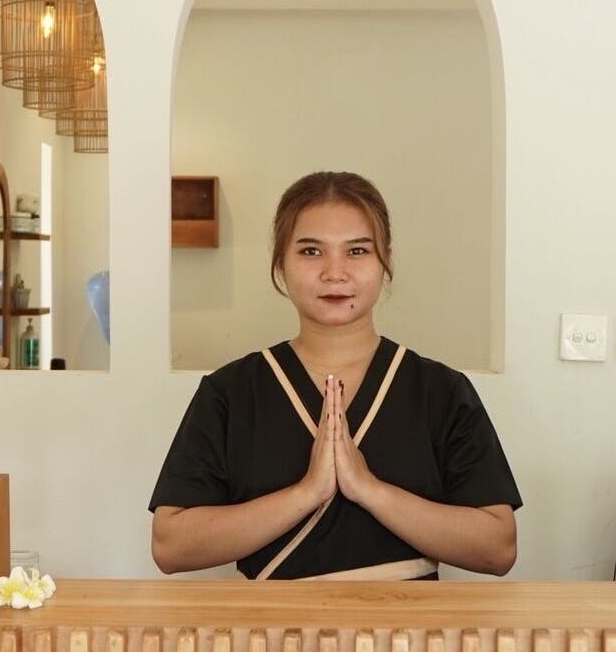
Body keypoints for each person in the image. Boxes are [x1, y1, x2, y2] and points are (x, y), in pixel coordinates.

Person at [149, 171, 521, 580]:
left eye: (357, 251)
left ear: (385, 260)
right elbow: (171, 546)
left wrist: (369, 489)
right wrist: (307, 493)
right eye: (311, 252)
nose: (334, 272)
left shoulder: (442, 391)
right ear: (280, 262)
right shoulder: (230, 392)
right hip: (274, 635)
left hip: (408, 634)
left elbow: (497, 548)